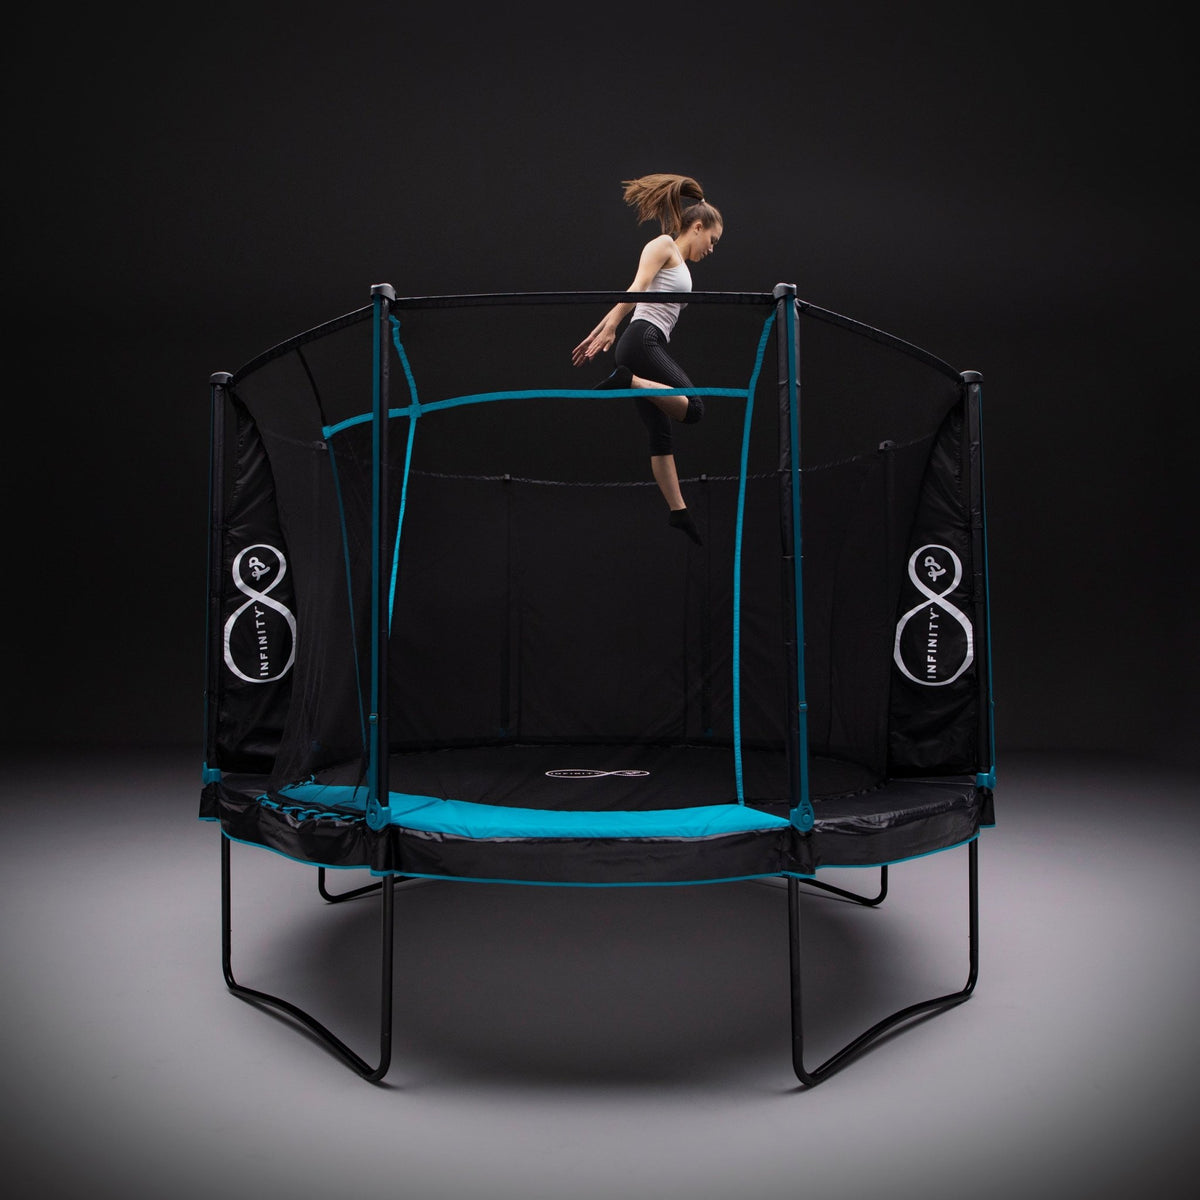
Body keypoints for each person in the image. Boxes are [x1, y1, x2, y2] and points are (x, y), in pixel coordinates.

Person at [571, 173, 723, 545]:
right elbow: (637, 288)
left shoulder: (680, 262)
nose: (712, 249)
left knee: (660, 434)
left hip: (638, 344)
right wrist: (611, 328)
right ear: (698, 227)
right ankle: (628, 381)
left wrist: (599, 330)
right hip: (642, 341)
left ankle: (678, 511)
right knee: (695, 408)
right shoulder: (663, 245)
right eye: (713, 240)